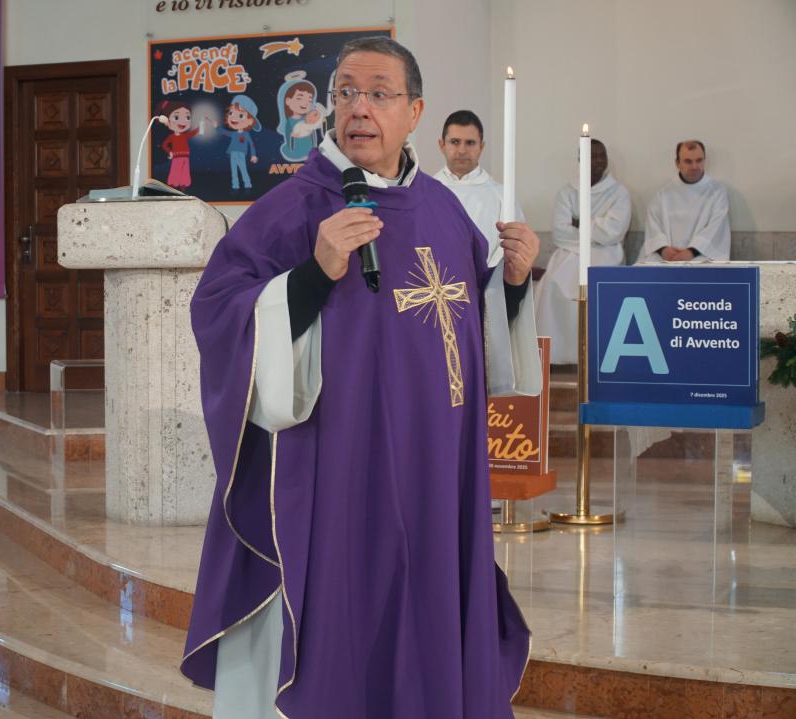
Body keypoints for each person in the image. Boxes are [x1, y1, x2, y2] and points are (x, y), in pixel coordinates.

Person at [181, 36, 541, 719]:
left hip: (437, 471)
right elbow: (218, 313)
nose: (359, 108)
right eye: (345, 92)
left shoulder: (444, 212)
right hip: (338, 471)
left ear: (415, 112)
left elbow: (473, 330)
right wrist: (313, 274)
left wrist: (514, 284)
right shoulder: (290, 209)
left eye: (379, 94)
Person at [535, 139, 631, 363]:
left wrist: (579, 223)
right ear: (580, 160)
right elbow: (560, 232)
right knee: (551, 283)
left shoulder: (619, 193)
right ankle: (556, 356)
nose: (597, 161)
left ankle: (599, 357)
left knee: (599, 288)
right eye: (591, 156)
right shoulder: (567, 192)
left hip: (607, 255)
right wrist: (596, 227)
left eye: (601, 156)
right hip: (570, 253)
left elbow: (614, 232)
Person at [433, 110, 524, 267]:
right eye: (455, 142)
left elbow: (512, 249)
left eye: (470, 143)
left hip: (485, 280)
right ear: (442, 145)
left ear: (481, 146)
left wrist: (485, 277)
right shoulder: (423, 193)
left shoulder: (502, 197)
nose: (462, 150)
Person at [638, 140, 730, 263]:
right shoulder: (663, 193)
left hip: (701, 257)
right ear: (677, 163)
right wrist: (663, 250)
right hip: (666, 258)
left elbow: (716, 229)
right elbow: (653, 226)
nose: (694, 167)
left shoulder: (717, 191)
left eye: (699, 160)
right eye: (688, 161)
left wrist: (691, 252)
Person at [215, 95, 261, 191]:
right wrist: (217, 127)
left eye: (241, 115)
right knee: (234, 171)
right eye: (231, 113)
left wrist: (253, 155)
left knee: (243, 170)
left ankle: (247, 184)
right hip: (233, 154)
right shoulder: (234, 134)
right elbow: (225, 132)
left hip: (241, 154)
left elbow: (251, 144)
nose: (234, 118)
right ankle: (235, 185)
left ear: (250, 121)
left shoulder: (246, 134)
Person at [159, 100, 200, 190]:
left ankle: (183, 184)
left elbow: (194, 132)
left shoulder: (185, 135)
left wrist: (200, 125)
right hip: (176, 157)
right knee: (175, 171)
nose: (182, 122)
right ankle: (173, 184)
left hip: (185, 157)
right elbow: (164, 145)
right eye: (176, 117)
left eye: (187, 117)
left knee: (184, 171)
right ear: (168, 122)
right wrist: (170, 152)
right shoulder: (171, 136)